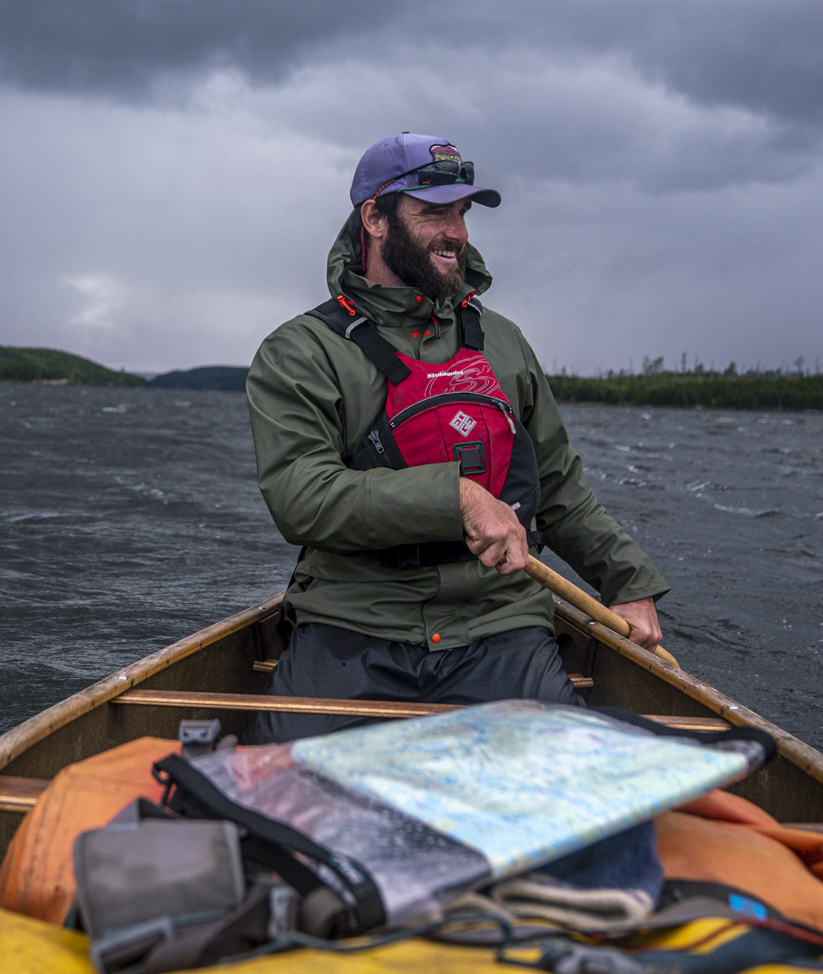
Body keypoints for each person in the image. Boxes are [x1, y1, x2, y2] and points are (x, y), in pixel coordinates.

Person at [245, 132, 668, 741]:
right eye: (433, 212)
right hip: (353, 625)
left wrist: (630, 584)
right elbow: (302, 498)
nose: (457, 232)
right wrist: (460, 498)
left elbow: (560, 491)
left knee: (575, 810)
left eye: (462, 213)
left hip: (499, 624)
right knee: (279, 809)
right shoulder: (300, 351)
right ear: (375, 218)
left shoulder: (505, 342)